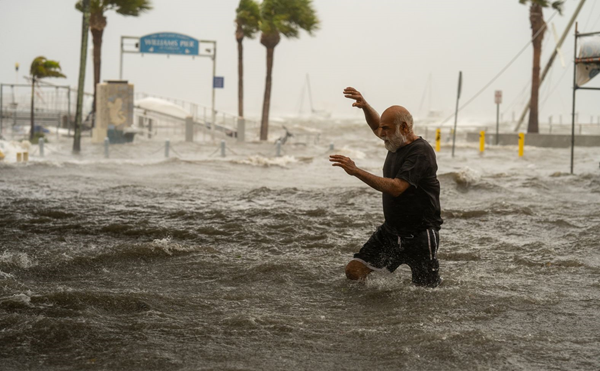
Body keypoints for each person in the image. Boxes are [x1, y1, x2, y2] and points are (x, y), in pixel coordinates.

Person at [329, 87, 443, 288]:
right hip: (391, 231)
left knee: (426, 292)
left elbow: (397, 187)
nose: (381, 134)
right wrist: (365, 106)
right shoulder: (394, 142)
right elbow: (376, 126)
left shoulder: (420, 152)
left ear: (405, 128)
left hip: (420, 234)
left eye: (387, 129)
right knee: (354, 271)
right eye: (382, 129)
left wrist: (356, 171)